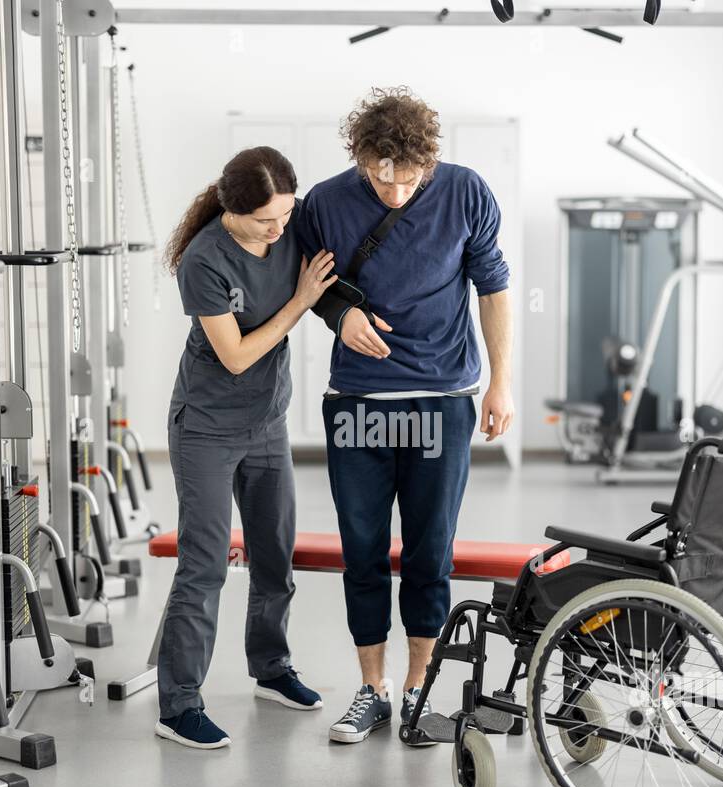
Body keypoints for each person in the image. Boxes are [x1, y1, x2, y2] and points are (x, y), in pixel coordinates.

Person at [294, 88, 514, 744]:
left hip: (442, 399)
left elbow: (494, 285)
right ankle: (372, 689)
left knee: (429, 549)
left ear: (430, 162)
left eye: (407, 179)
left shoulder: (466, 193)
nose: (392, 192)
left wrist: (500, 383)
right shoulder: (326, 204)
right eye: (379, 176)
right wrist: (342, 315)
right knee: (361, 549)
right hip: (358, 401)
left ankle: (418, 688)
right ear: (360, 158)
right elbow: (312, 288)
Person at [154, 146, 337, 750]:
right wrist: (299, 303)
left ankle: (272, 669)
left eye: (286, 215)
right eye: (267, 220)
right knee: (204, 566)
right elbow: (235, 356)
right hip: (205, 425)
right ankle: (178, 705)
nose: (281, 229)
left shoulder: (290, 225)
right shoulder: (204, 260)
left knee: (274, 554)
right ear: (233, 211)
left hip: (267, 423)